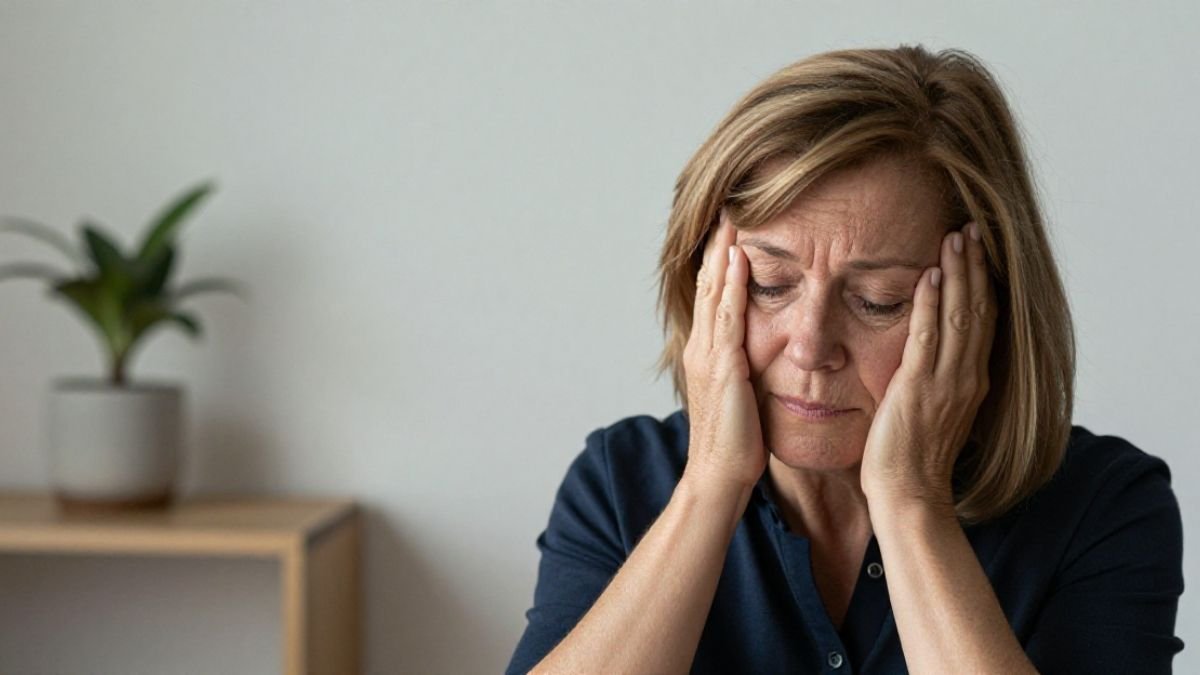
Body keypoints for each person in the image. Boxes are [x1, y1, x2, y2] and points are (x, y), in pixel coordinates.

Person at [506, 44, 1185, 674]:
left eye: (877, 300)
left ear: (982, 312)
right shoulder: (621, 486)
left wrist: (913, 504)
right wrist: (711, 484)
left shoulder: (1105, 507)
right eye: (770, 285)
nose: (808, 345)